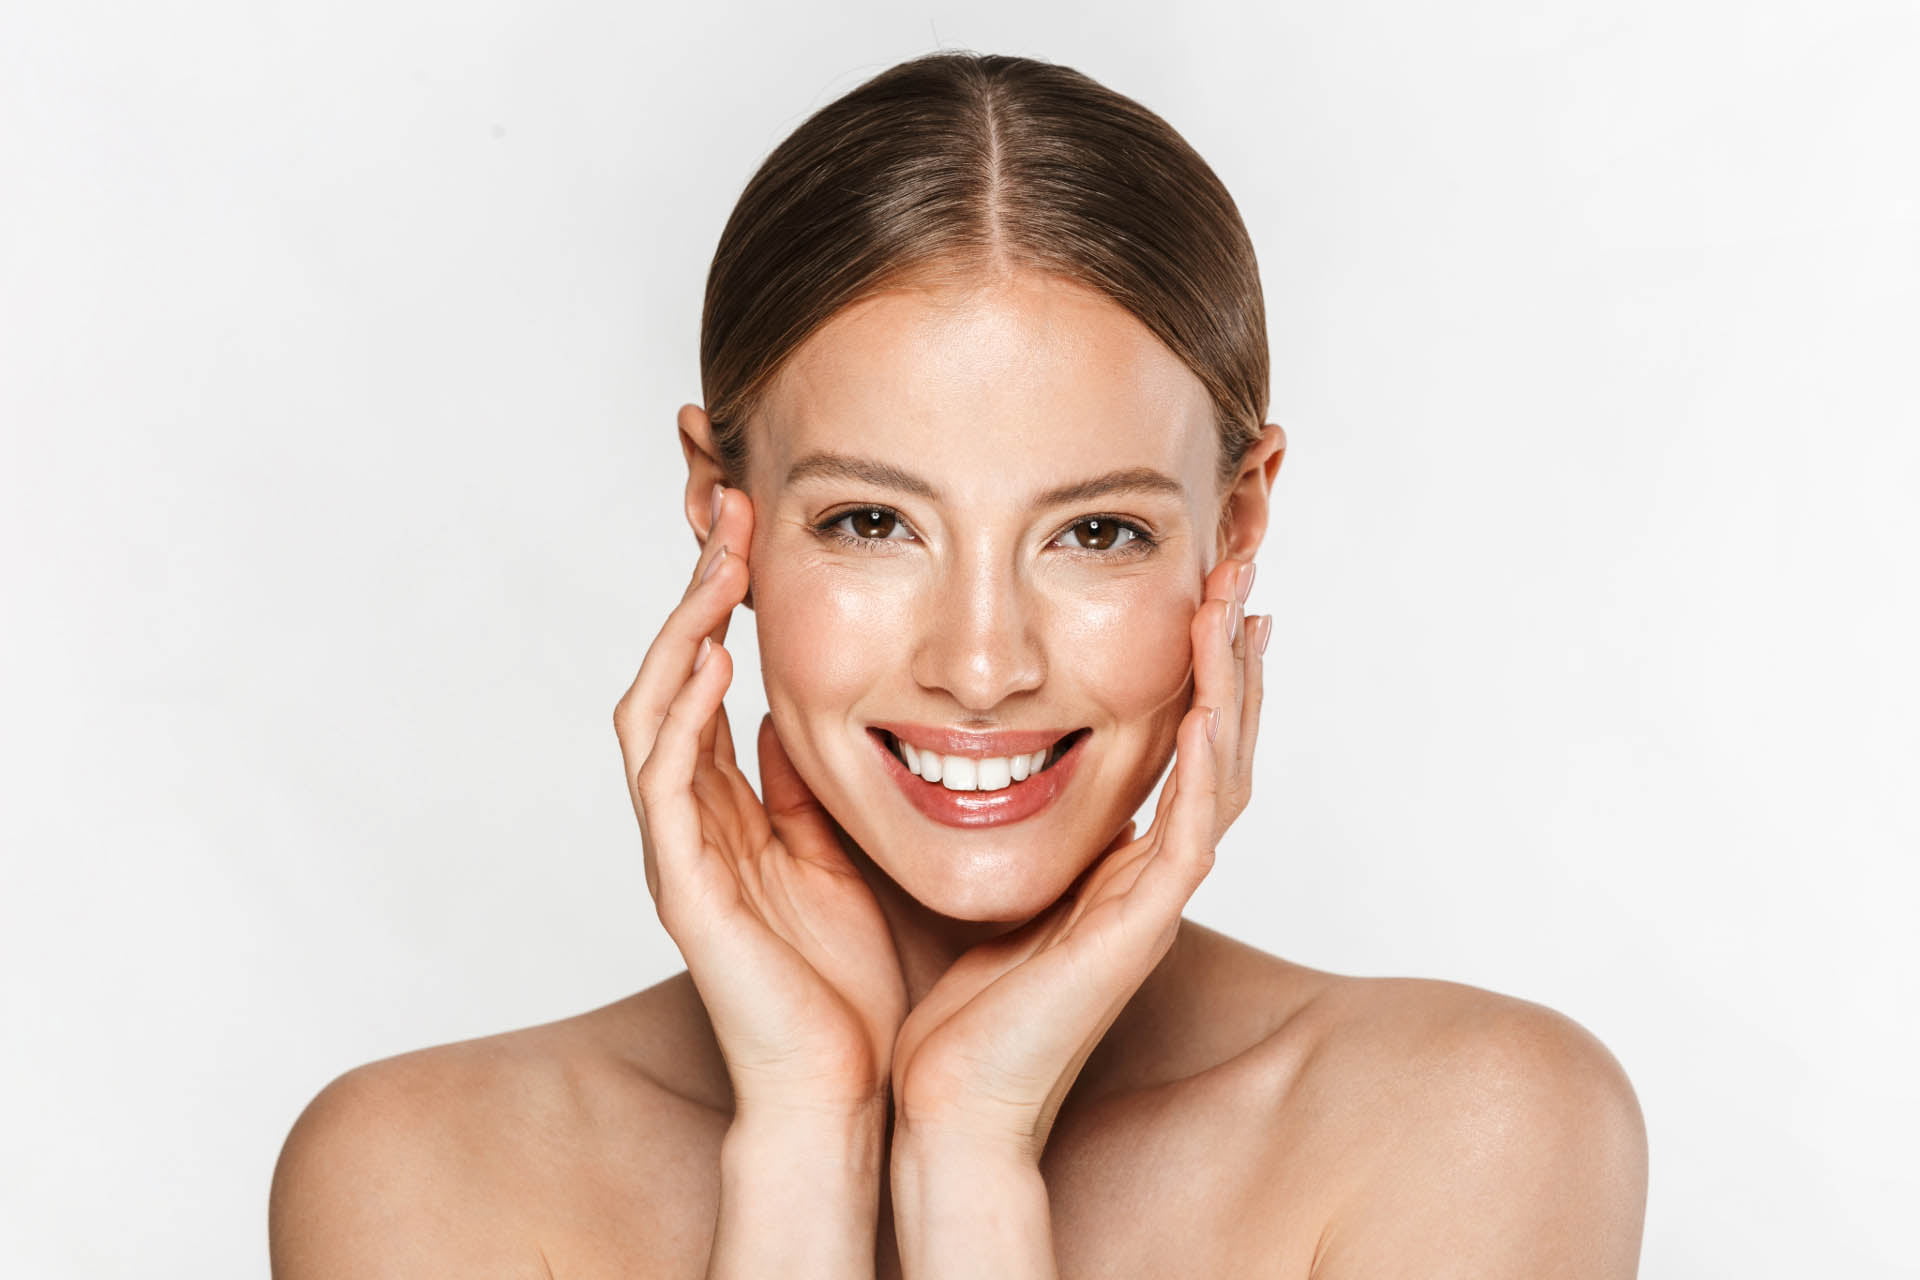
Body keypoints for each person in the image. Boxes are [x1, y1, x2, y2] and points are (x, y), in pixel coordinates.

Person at [269, 51, 1648, 1278]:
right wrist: (811, 1139)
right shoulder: (421, 1178)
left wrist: (973, 1157)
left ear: (1236, 523)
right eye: (872, 523)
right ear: (716, 501)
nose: (981, 666)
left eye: (1095, 531)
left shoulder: (1474, 1133)